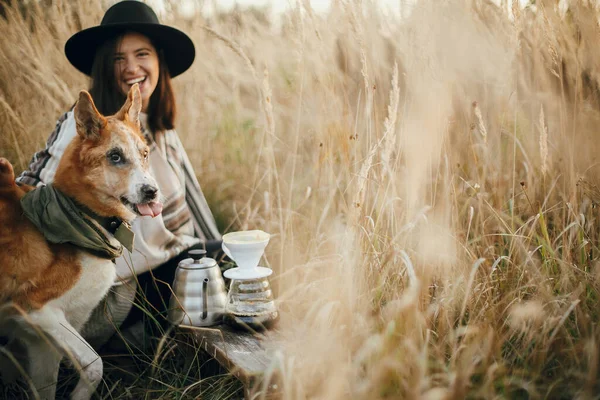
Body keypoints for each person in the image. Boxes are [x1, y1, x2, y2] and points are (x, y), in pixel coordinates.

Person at [16, 0, 221, 349]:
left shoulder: (155, 127)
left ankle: (174, 337)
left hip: (155, 263)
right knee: (203, 264)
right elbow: (36, 197)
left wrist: (217, 251)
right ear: (103, 67)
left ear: (158, 61)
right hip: (108, 283)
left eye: (142, 54)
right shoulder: (84, 132)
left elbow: (194, 210)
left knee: (224, 256)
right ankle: (135, 342)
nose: (131, 68)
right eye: (118, 58)